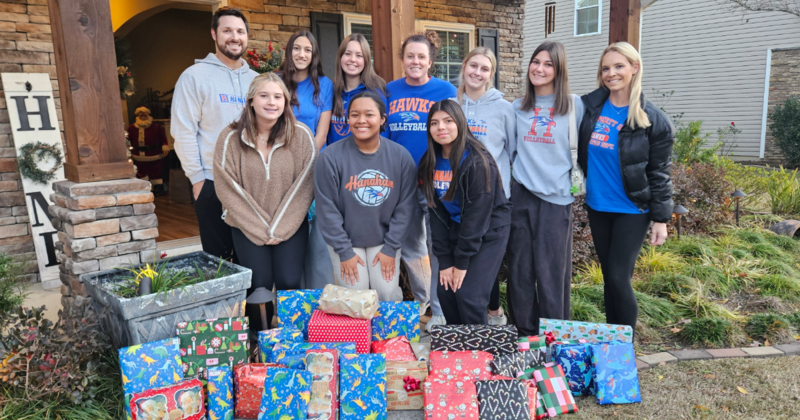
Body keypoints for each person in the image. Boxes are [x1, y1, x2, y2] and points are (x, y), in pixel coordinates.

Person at [578, 42, 674, 330]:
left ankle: (625, 351)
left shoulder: (653, 120)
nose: (611, 73)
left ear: (635, 68)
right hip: (598, 205)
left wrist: (660, 218)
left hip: (633, 209)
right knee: (610, 276)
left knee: (620, 277)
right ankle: (612, 341)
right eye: (606, 68)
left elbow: (659, 172)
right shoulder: (589, 109)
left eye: (619, 66)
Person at [214, 73, 317, 333]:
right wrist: (263, 229)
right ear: (250, 100)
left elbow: (305, 185)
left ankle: (292, 340)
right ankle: (262, 343)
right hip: (247, 227)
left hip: (291, 225)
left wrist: (279, 228)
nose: (271, 102)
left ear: (286, 101)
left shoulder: (302, 136)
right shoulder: (230, 138)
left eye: (278, 96)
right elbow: (228, 189)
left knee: (289, 281)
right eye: (264, 95)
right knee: (258, 285)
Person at [506, 41, 584, 336]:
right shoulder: (516, 107)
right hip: (522, 197)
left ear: (559, 69)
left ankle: (554, 338)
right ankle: (524, 338)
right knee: (520, 274)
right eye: (535, 62)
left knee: (552, 277)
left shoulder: (575, 105)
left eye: (548, 64)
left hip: (557, 202)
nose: (539, 68)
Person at [171, 7, 257, 262]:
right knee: (219, 262)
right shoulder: (194, 77)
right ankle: (226, 305)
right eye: (227, 30)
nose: (235, 37)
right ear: (214, 34)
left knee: (251, 258)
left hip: (252, 184)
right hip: (212, 182)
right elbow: (183, 130)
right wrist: (197, 180)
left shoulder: (256, 80)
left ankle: (253, 305)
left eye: (240, 31)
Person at [315, 91, 417, 301]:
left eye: (369, 114)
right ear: (348, 119)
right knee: (355, 296)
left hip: (384, 240)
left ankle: (389, 334)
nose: (361, 120)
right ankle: (358, 335)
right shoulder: (330, 157)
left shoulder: (400, 157)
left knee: (387, 292)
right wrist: (344, 252)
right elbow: (327, 209)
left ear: (382, 119)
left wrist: (391, 248)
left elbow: (405, 207)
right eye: (354, 115)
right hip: (347, 241)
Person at [385, 31, 457, 331]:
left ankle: (440, 310)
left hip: (435, 180)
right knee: (412, 247)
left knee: (438, 245)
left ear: (430, 62)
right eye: (410, 56)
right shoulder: (389, 90)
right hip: (401, 182)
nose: (415, 61)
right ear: (402, 59)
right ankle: (424, 302)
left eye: (421, 57)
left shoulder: (445, 90)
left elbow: (453, 133)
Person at [420, 100, 512, 325]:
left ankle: (478, 352)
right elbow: (436, 213)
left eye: (448, 121)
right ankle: (457, 347)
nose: (441, 127)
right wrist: (445, 260)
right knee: (446, 292)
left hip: (489, 229)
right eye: (434, 123)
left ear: (460, 123)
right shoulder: (429, 162)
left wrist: (460, 263)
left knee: (468, 294)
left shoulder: (477, 161)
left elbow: (477, 215)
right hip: (457, 226)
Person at [452, 47, 516, 326]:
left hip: (491, 199)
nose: (477, 72)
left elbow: (512, 152)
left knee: (483, 264)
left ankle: (492, 318)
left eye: (485, 68)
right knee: (469, 260)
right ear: (464, 66)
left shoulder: (504, 108)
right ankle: (490, 315)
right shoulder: (450, 103)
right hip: (456, 199)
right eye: (473, 65)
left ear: (491, 74)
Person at [276, 30, 334, 289]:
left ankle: (316, 295)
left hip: (313, 167)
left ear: (314, 55)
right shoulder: (275, 81)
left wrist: (303, 164)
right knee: (288, 233)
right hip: (279, 169)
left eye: (307, 50)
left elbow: (321, 134)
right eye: (296, 48)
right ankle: (291, 299)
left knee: (316, 238)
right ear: (288, 52)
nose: (301, 54)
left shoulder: (325, 85)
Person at [328, 33, 388, 146]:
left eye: (359, 56)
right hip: (334, 160)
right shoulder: (331, 92)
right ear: (340, 57)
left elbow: (383, 134)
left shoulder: (375, 94)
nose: (352, 60)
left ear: (366, 61)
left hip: (365, 160)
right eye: (347, 54)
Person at [128, 107, 170, 196]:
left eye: (145, 115)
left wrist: (165, 146)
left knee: (156, 171)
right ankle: (145, 188)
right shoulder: (131, 128)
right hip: (138, 155)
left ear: (148, 115)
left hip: (155, 153)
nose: (143, 117)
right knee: (141, 171)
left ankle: (158, 188)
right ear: (137, 116)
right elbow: (129, 140)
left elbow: (164, 138)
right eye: (141, 115)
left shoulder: (156, 127)